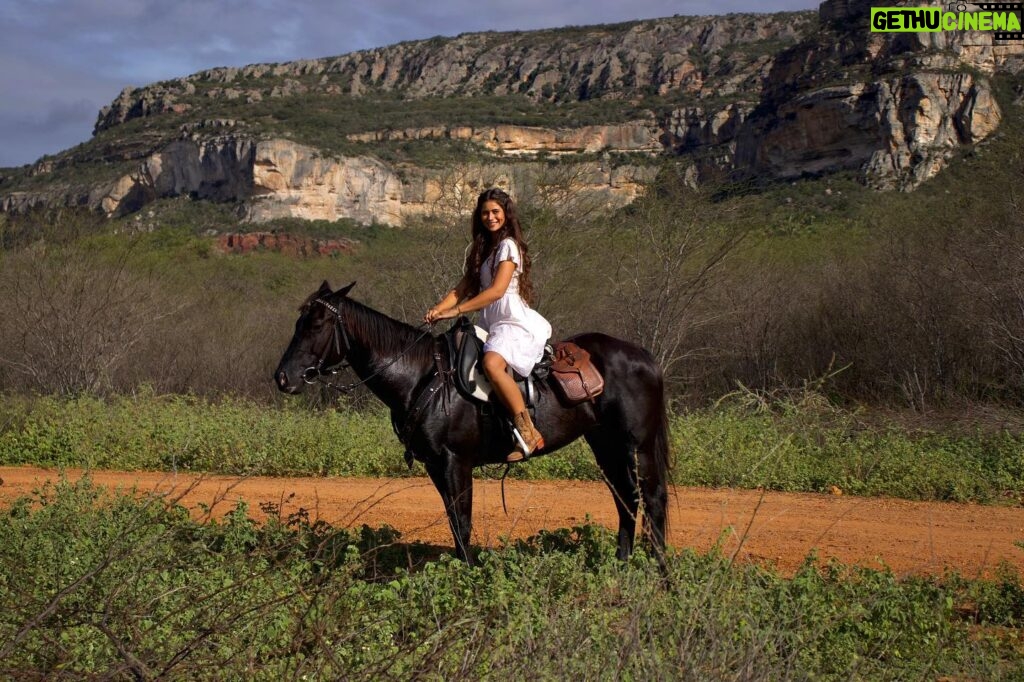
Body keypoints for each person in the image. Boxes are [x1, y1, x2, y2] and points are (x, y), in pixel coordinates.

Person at [425, 188, 552, 462]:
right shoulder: (483, 249)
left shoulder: (508, 246)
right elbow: (462, 288)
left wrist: (455, 312)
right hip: (490, 324)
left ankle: (529, 432)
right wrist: (439, 309)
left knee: (492, 364)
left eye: (495, 211)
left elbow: (496, 291)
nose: (490, 217)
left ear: (506, 214)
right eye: (485, 212)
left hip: (512, 322)